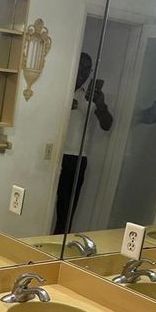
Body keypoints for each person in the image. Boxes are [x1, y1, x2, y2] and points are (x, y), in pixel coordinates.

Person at [53, 52, 113, 234]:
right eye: (81, 66)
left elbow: (107, 124)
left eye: (88, 69)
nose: (84, 72)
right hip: (52, 154)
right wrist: (63, 105)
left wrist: (101, 105)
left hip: (76, 159)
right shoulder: (59, 86)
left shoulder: (90, 96)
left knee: (66, 213)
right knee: (41, 204)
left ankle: (55, 251)